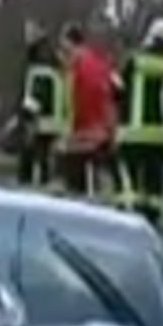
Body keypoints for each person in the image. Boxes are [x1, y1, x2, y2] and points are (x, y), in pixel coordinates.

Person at [113, 16, 163, 224]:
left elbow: (116, 90)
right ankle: (151, 220)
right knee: (153, 184)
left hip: (132, 132)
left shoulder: (134, 61)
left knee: (129, 181)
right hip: (160, 135)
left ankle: (126, 217)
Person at [57, 23, 116, 197]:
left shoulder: (76, 67)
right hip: (102, 132)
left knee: (66, 165)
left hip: (84, 133)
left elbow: (73, 103)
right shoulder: (100, 62)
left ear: (71, 43)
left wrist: (67, 135)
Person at [19, 22, 66, 187]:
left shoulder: (41, 55)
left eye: (30, 30)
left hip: (41, 117)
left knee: (33, 156)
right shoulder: (43, 53)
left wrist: (28, 116)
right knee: (42, 157)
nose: (27, 34)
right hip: (47, 115)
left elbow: (38, 89)